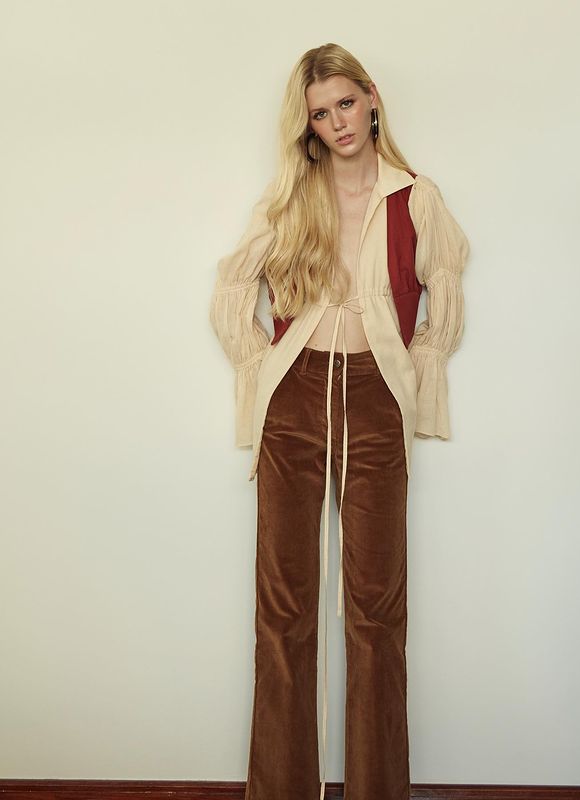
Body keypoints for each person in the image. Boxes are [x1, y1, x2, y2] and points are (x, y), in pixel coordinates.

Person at [209, 42, 470, 800]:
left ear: (371, 97)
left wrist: (415, 376)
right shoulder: (292, 198)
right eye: (321, 114)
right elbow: (233, 288)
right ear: (310, 126)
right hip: (295, 396)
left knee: (377, 610)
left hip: (376, 397)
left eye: (346, 104)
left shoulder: (415, 196)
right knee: (284, 607)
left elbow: (444, 288)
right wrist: (261, 367)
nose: (338, 123)